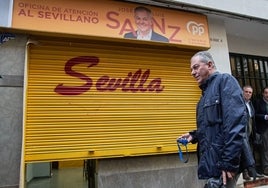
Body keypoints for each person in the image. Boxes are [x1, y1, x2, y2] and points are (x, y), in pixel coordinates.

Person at [178, 51, 251, 188]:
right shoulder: (204, 97)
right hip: (212, 162)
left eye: (196, 67)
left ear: (210, 65)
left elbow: (235, 125)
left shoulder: (225, 81)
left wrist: (228, 162)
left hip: (224, 164)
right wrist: (195, 135)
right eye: (191, 69)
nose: (192, 73)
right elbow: (213, 126)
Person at [242, 85, 264, 180]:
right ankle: (245, 173)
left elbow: (252, 118)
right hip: (243, 132)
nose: (248, 94)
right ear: (242, 92)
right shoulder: (239, 103)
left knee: (250, 152)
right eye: (246, 91)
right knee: (243, 153)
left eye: (250, 92)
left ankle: (252, 172)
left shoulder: (250, 104)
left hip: (250, 131)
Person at [254, 86, 268, 175]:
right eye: (266, 93)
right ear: (263, 94)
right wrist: (265, 117)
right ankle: (266, 167)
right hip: (264, 129)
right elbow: (254, 115)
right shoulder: (258, 102)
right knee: (265, 148)